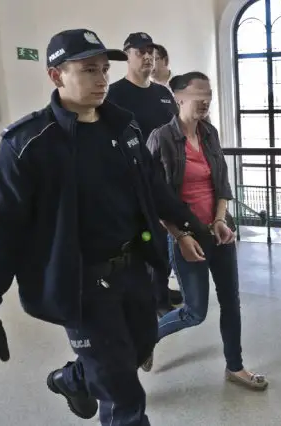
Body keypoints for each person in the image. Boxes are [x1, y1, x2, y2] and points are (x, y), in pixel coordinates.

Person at [0, 29, 211, 426]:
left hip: (135, 272)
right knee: (124, 393)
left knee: (139, 346)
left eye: (104, 70)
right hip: (81, 284)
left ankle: (74, 378)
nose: (102, 79)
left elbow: (155, 191)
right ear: (56, 76)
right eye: (88, 70)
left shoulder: (125, 129)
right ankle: (97, 381)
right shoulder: (29, 145)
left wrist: (194, 228)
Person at [144, 72, 269, 391]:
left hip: (219, 233)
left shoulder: (209, 133)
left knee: (231, 302)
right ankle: (145, 337)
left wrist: (220, 220)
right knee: (194, 312)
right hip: (187, 236)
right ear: (178, 98)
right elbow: (154, 198)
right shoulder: (161, 138)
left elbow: (222, 184)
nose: (206, 101)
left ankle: (235, 367)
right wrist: (180, 236)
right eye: (199, 94)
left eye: (209, 95)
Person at [106, 32, 181, 316]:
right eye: (140, 52)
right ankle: (155, 299)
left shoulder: (163, 94)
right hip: (134, 182)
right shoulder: (115, 95)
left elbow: (176, 131)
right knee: (148, 240)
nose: (147, 57)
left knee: (169, 238)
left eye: (151, 52)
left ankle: (161, 289)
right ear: (127, 56)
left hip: (167, 179)